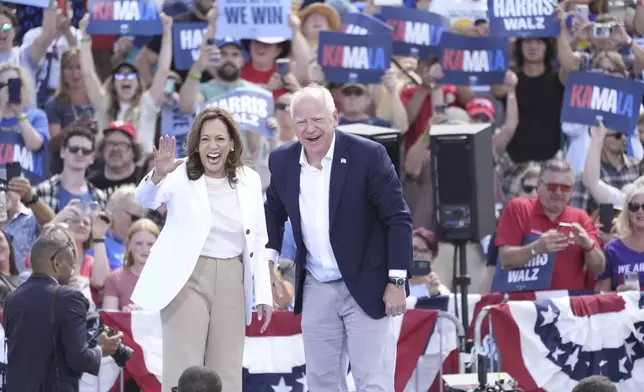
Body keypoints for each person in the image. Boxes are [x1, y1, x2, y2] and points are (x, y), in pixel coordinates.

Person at [264, 84, 413, 391]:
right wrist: (267, 264)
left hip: (369, 283)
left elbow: (397, 218)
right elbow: (272, 213)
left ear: (335, 117)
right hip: (317, 284)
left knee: (372, 381)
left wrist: (397, 281)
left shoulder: (368, 155)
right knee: (321, 383)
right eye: (301, 122)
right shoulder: (281, 161)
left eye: (317, 119)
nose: (309, 129)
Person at [130, 107, 274, 392]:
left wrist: (264, 294)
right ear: (196, 144)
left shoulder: (250, 179)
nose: (213, 146)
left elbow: (259, 239)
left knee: (228, 371)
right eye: (205, 139)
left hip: (233, 277)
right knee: (183, 371)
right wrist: (158, 173)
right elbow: (144, 200)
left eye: (220, 139)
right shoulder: (179, 171)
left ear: (232, 142)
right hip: (186, 278)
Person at [3, 225, 123, 392]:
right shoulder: (69, 297)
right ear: (57, 263)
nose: (73, 270)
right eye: (71, 264)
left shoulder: (12, 298)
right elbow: (79, 359)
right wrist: (103, 349)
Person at [103, 218, 160, 311]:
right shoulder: (115, 279)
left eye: (150, 244)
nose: (144, 249)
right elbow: (109, 319)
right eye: (138, 243)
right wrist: (125, 315)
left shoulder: (168, 280)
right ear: (129, 245)